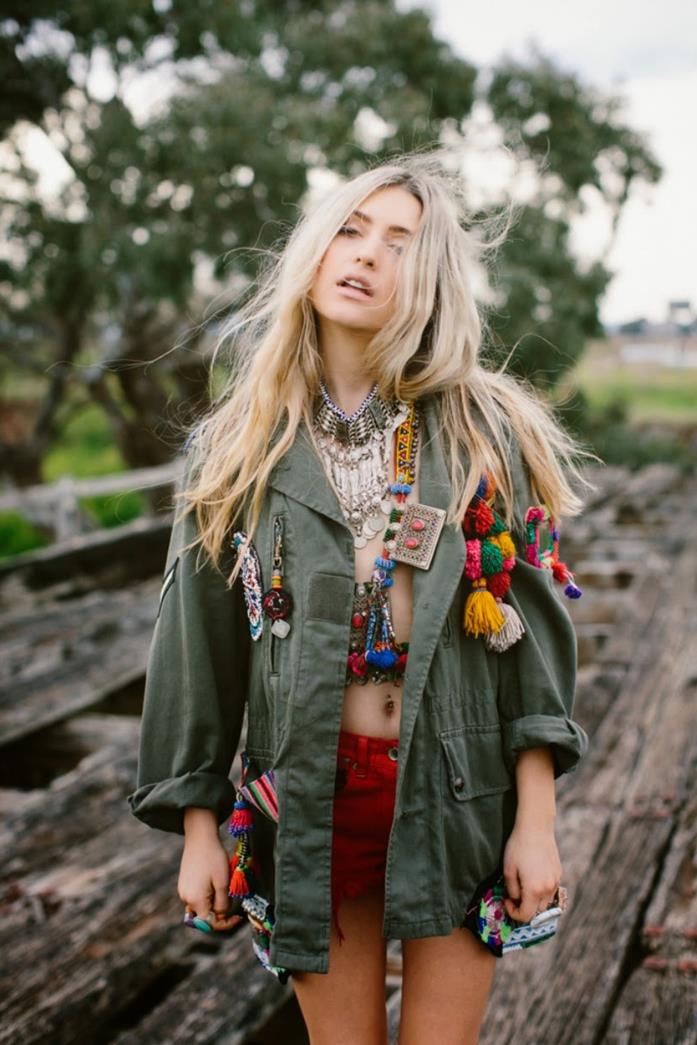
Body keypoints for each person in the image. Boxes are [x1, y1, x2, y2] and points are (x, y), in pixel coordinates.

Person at [127, 148, 593, 1044]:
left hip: (455, 789)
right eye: (348, 229)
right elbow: (195, 646)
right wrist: (197, 829)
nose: (367, 254)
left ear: (429, 282)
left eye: (399, 243)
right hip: (302, 799)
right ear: (310, 254)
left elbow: (530, 645)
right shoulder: (237, 447)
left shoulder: (482, 431)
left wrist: (535, 826)